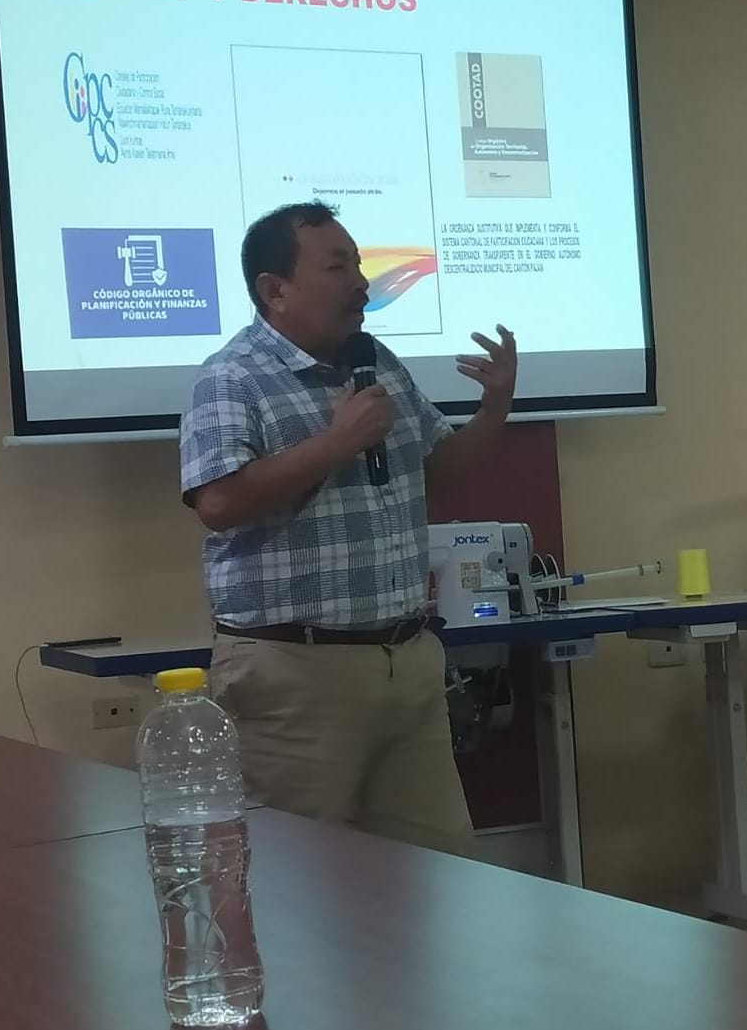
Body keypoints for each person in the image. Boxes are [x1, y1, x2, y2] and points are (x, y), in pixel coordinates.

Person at [179, 202, 517, 855]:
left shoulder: (378, 362)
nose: (361, 282)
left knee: (442, 876)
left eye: (358, 264)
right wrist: (336, 443)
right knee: (295, 880)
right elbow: (217, 502)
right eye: (337, 267)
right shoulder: (231, 377)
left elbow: (438, 473)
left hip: (406, 661)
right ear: (274, 290)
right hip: (295, 672)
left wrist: (495, 408)